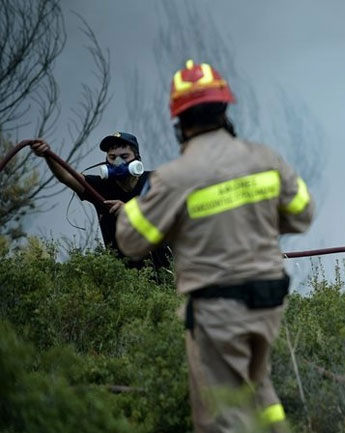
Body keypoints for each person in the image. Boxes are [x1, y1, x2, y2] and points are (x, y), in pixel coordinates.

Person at [115, 59, 313, 433]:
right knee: (257, 390)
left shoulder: (175, 178)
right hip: (269, 302)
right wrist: (254, 221)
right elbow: (302, 213)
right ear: (225, 110)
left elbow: (130, 240)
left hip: (219, 311)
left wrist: (147, 206)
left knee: (220, 417)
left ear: (180, 124)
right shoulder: (264, 158)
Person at [29, 133, 171, 271]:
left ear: (137, 159)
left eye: (124, 156)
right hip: (124, 276)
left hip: (166, 270)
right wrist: (47, 155)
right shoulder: (101, 186)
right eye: (112, 157)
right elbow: (66, 176)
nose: (118, 162)